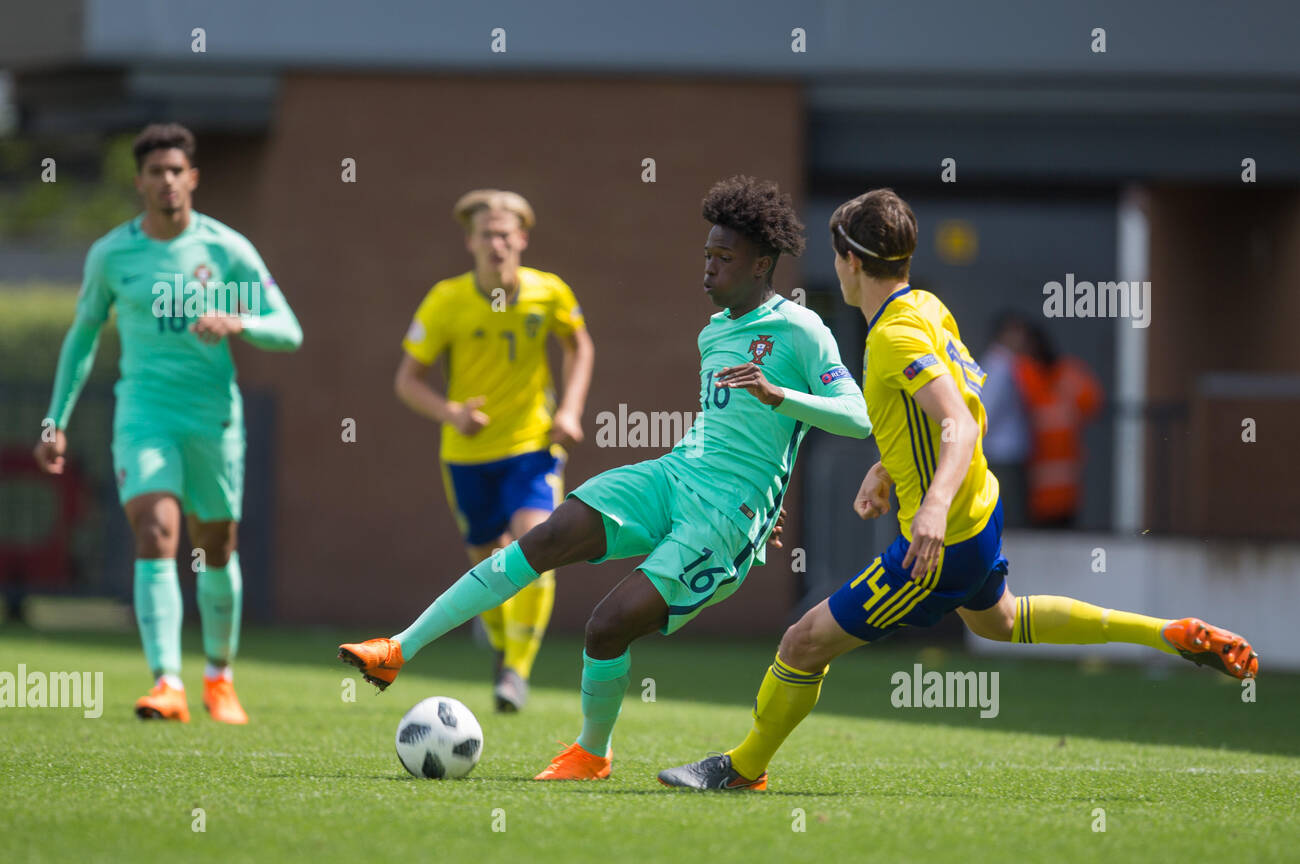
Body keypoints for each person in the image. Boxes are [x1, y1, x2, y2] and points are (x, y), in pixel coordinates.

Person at [659, 187, 1258, 791]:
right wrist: (890, 467)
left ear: (851, 262)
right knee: (999, 621)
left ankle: (742, 769)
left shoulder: (893, 336)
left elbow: (961, 421)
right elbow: (960, 407)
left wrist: (933, 507)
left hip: (938, 545)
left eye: (837, 256)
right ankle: (1166, 633)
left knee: (802, 642)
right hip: (981, 513)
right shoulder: (926, 306)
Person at [339, 175, 872, 779]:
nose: (708, 270)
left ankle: (592, 752)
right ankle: (397, 649)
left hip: (724, 519)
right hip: (674, 475)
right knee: (543, 536)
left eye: (724, 259)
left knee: (605, 625)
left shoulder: (802, 330)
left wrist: (777, 409)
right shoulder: (715, 331)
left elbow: (857, 418)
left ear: (762, 264)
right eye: (706, 256)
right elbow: (728, 432)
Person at [34, 122, 303, 724]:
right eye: (155, 172)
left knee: (215, 547)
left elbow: (289, 329)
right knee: (156, 532)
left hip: (212, 419)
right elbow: (81, 338)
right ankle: (166, 683)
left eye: (176, 171)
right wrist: (56, 419)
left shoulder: (227, 249)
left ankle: (219, 677)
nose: (167, 182)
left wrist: (240, 323)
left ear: (193, 178)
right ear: (140, 183)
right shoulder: (111, 255)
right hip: (144, 415)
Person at [394, 189, 595, 711]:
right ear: (470, 242)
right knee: (486, 559)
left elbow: (580, 346)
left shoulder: (549, 293)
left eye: (506, 234)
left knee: (536, 544)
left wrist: (570, 410)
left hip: (533, 444)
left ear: (522, 239)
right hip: (466, 453)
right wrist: (451, 413)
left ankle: (515, 672)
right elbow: (407, 381)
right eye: (486, 235)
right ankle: (506, 645)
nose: (497, 244)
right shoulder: (445, 300)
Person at [1014, 323, 1103, 528]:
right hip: (1042, 473)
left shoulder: (1027, 373)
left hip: (1052, 473)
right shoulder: (1062, 374)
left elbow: (1092, 402)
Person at [978, 309, 1032, 527]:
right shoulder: (999, 366)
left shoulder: (1007, 363)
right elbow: (985, 409)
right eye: (1017, 332)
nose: (1022, 339)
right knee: (1008, 517)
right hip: (1001, 454)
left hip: (1007, 453)